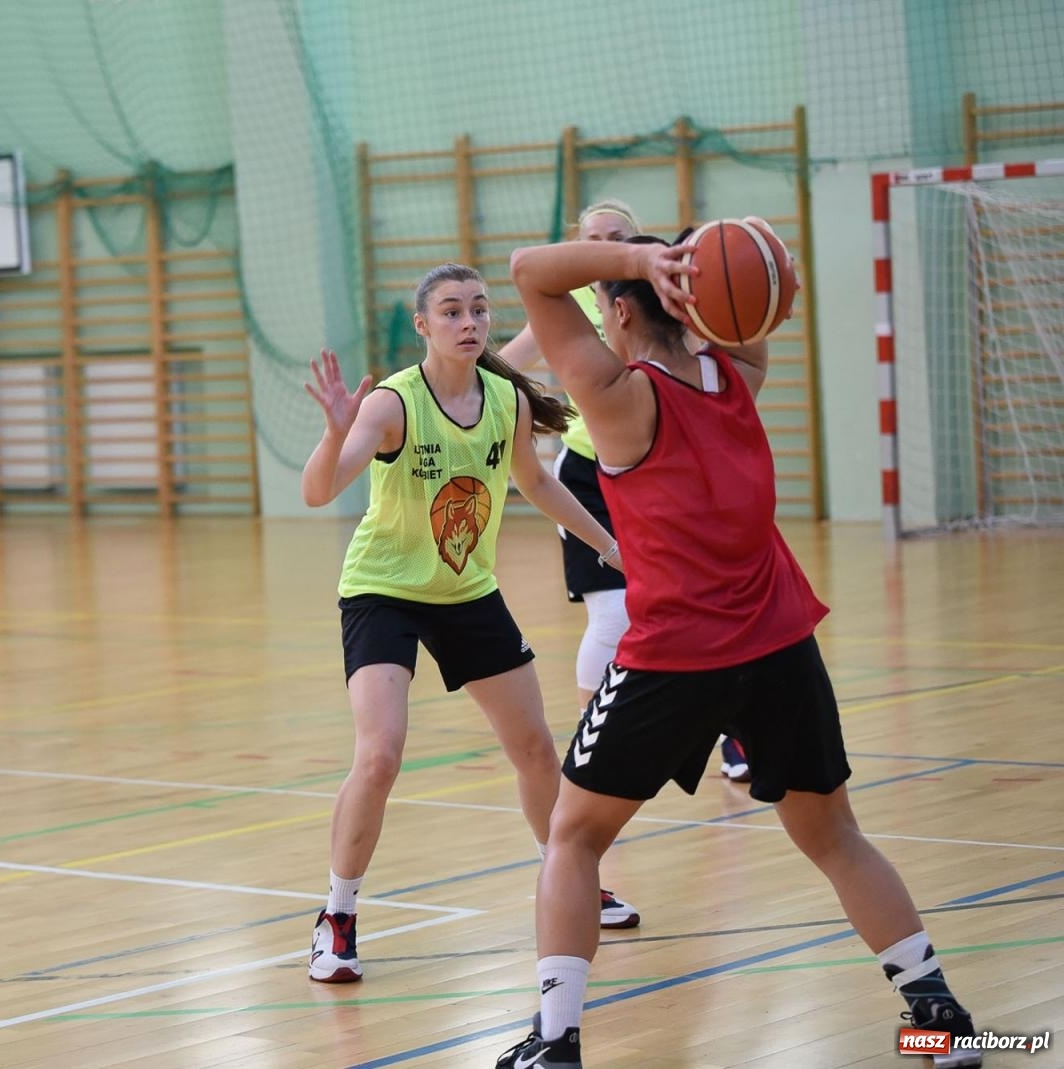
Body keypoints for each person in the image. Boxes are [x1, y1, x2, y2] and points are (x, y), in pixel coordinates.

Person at [495, 233, 979, 1067]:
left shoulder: (615, 396)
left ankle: (554, 1042)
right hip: (781, 641)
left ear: (615, 311)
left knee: (572, 835)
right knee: (835, 837)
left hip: (676, 653)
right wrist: (693, 269)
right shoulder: (735, 373)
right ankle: (940, 1019)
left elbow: (526, 270)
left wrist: (639, 260)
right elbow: (758, 294)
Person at [300, 262, 640, 985]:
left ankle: (572, 879)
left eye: (479, 310)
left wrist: (607, 542)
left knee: (537, 751)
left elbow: (537, 481)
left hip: (465, 588)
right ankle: (337, 914)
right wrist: (335, 434)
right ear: (423, 325)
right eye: (451, 311)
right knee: (381, 755)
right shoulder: (392, 403)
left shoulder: (505, 399)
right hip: (383, 589)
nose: (469, 322)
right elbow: (318, 489)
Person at [503, 199, 750, 786]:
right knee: (614, 614)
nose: (608, 243)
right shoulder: (571, 309)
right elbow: (500, 367)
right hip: (587, 478)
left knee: (689, 606)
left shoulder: (664, 303)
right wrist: (530, 409)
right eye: (596, 238)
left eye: (618, 235)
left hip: (659, 471)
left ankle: (727, 727)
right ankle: (600, 737)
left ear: (637, 241)